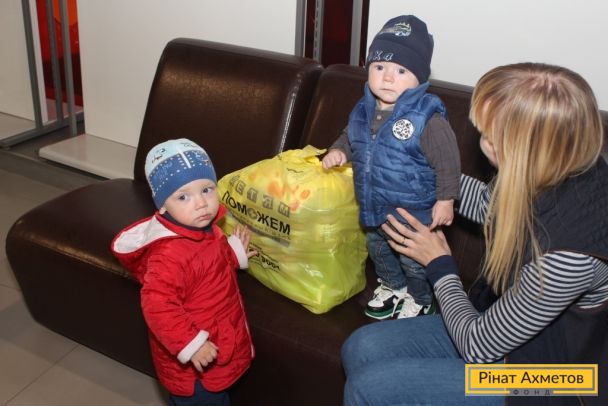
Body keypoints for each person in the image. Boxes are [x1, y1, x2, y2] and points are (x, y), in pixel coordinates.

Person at [341, 63, 608, 405]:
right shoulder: (555, 165)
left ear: (529, 150)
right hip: (510, 331)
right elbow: (488, 205)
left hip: (559, 377)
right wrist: (406, 176)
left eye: (491, 137)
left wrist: (439, 264)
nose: (482, 143)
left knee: (369, 389)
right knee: (360, 347)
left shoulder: (569, 257)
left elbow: (477, 346)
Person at [322, 15, 460, 319]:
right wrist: (338, 150)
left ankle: (421, 298)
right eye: (379, 67)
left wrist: (446, 199)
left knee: (412, 260)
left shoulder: (427, 118)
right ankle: (393, 286)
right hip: (373, 206)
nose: (387, 78)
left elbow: (448, 161)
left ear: (419, 78)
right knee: (379, 250)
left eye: (401, 70)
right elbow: (351, 135)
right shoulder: (362, 109)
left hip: (414, 215)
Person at [111, 138, 257, 406]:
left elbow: (208, 263)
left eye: (207, 189)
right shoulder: (168, 255)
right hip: (195, 369)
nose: (201, 203)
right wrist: (191, 343)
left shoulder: (204, 228)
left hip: (218, 343)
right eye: (183, 196)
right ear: (162, 205)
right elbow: (157, 305)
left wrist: (234, 255)